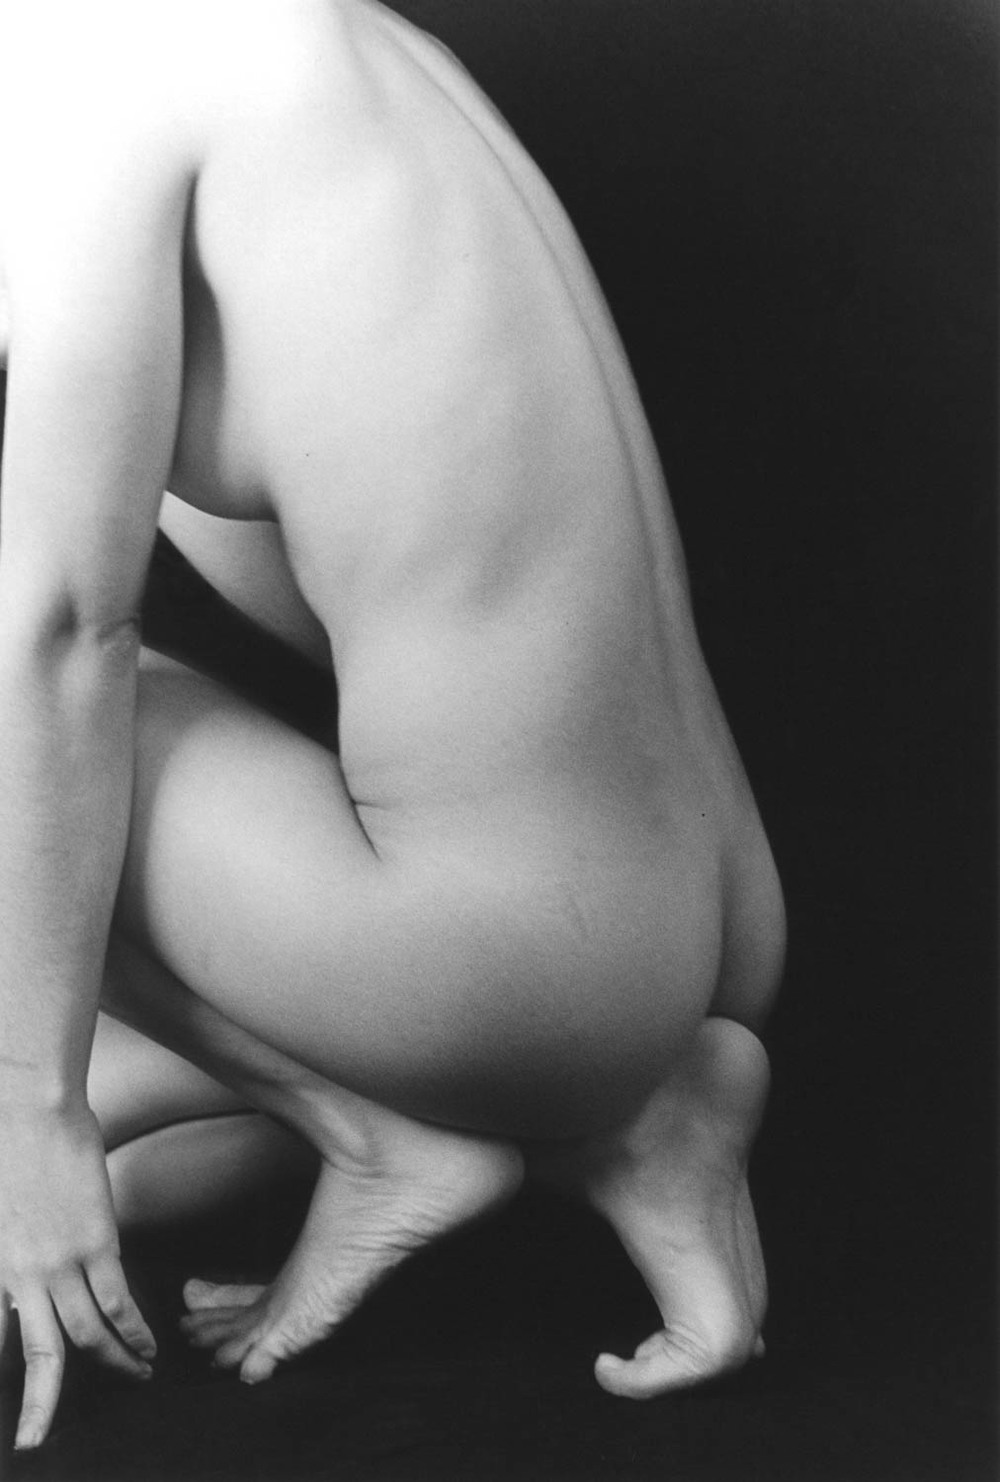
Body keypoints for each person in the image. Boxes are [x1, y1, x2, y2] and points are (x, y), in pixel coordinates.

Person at [0, 0, 785, 1452]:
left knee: (22, 717)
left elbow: (58, 636)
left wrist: (27, 1109)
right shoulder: (311, 46)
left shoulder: (95, 100)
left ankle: (409, 1126)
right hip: (700, 912)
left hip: (532, 962)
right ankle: (630, 1116)